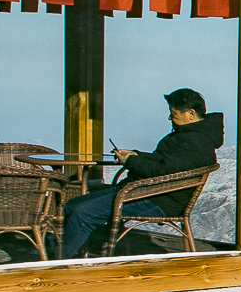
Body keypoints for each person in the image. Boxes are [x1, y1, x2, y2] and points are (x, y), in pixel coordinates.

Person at [59, 88, 224, 258]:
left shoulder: (195, 141)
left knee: (83, 212)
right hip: (146, 192)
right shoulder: (188, 136)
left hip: (159, 199)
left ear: (190, 113)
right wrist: (135, 155)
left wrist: (130, 162)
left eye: (173, 114)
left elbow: (162, 172)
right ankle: (60, 252)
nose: (169, 118)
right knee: (73, 205)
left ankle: (59, 260)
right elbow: (164, 162)